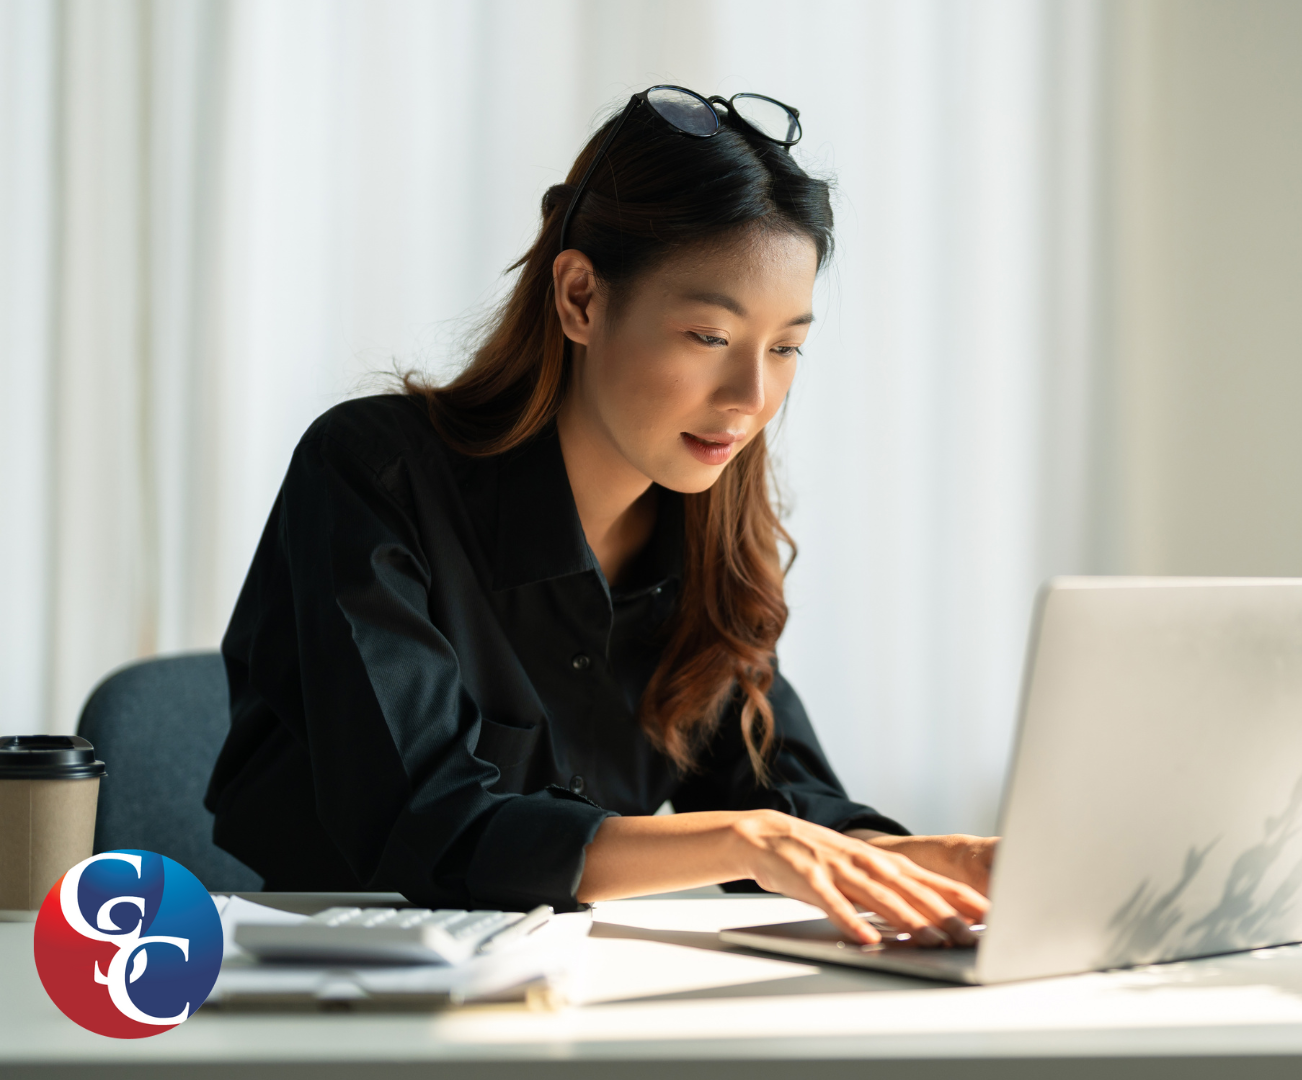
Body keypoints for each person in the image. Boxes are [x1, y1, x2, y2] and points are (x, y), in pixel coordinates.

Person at [206, 87, 993, 947]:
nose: (751, 398)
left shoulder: (705, 517)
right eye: (709, 337)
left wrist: (939, 858)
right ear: (581, 297)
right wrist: (743, 841)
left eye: (785, 346)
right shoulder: (372, 472)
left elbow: (778, 798)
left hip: (562, 988)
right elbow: (433, 826)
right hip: (333, 987)